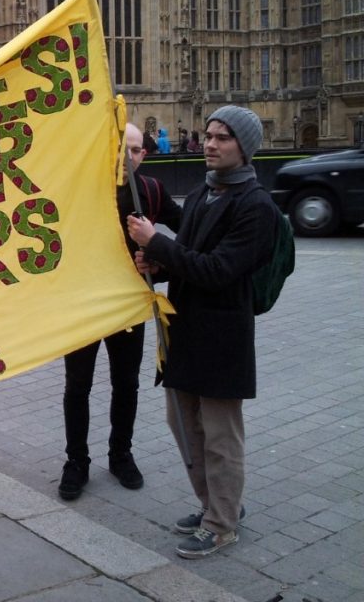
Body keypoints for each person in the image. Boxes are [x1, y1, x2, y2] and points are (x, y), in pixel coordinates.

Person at [126, 106, 276, 559]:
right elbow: (188, 260)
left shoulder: (256, 207)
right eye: (209, 135)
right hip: (184, 329)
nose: (210, 144)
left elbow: (218, 271)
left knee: (219, 434)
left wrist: (157, 243)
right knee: (183, 423)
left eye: (223, 137)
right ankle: (215, 505)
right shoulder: (200, 195)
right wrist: (157, 264)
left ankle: (222, 524)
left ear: (244, 147)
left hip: (221, 336)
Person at [58, 123, 183, 500]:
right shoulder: (79, 186)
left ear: (144, 155)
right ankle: (76, 461)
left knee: (126, 383)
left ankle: (120, 454)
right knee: (77, 386)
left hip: (128, 305)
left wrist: (158, 259)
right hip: (83, 303)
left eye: (133, 151)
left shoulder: (152, 191)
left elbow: (192, 231)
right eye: (119, 149)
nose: (125, 158)